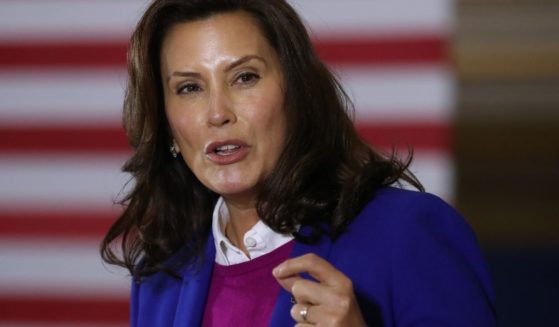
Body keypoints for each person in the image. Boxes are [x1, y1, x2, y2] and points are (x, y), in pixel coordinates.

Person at [100, 0, 496, 326]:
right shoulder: (158, 277)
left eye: (244, 78)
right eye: (189, 88)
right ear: (167, 126)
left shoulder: (407, 234)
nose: (217, 113)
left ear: (296, 93)